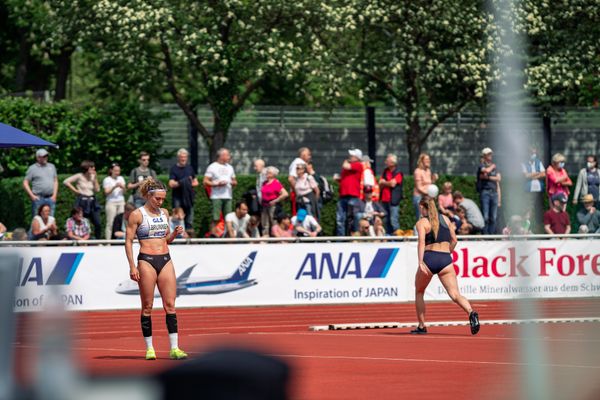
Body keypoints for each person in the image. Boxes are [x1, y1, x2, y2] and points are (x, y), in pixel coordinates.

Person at [125, 177, 187, 360]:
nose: (160, 202)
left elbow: (166, 239)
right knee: (148, 306)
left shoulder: (164, 213)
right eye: (157, 198)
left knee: (170, 305)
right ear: (148, 196)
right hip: (146, 260)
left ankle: (174, 348)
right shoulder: (137, 214)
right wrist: (132, 266)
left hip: (165, 259)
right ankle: (150, 348)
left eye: (162, 199)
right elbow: (128, 241)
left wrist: (174, 234)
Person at [412, 197, 480, 335]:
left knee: (419, 291)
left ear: (422, 207)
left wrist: (420, 262)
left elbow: (421, 243)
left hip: (429, 258)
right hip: (445, 260)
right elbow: (454, 240)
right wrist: (447, 252)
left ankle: (421, 326)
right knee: (455, 294)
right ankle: (471, 312)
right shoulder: (446, 219)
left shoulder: (422, 222)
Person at [63, 160, 102, 239]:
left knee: (97, 222)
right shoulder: (79, 176)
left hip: (92, 200)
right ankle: (72, 237)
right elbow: (66, 182)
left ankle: (98, 240)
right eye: (91, 167)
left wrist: (95, 179)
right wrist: (75, 191)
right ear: (87, 168)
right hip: (82, 200)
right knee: (75, 219)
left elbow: (97, 190)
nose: (94, 168)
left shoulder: (93, 177)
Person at [203, 148, 237, 229]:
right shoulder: (212, 166)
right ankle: (213, 237)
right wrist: (216, 184)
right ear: (222, 156)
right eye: (227, 155)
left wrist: (233, 183)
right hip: (216, 196)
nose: (229, 157)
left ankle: (227, 238)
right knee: (216, 218)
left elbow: (234, 181)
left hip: (228, 196)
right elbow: (205, 181)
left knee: (228, 218)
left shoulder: (230, 167)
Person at [335, 149, 364, 236]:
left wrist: (346, 161)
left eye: (352, 156)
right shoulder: (348, 166)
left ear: (357, 157)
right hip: (343, 195)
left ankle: (354, 236)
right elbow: (346, 179)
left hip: (353, 195)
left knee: (353, 218)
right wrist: (339, 179)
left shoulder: (358, 165)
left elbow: (346, 166)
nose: (350, 157)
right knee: (340, 219)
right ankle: (341, 238)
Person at [168, 148, 199, 231]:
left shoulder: (190, 168)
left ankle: (188, 233)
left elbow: (196, 182)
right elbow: (171, 183)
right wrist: (182, 182)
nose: (183, 159)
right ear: (178, 157)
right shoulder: (174, 169)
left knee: (189, 217)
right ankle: (176, 233)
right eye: (182, 157)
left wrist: (188, 183)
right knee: (177, 215)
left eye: (185, 157)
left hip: (188, 197)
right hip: (177, 196)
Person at [23, 148, 58, 217]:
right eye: (43, 156)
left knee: (50, 220)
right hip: (38, 198)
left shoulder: (52, 166)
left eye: (46, 156)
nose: (45, 158)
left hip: (50, 198)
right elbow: (25, 182)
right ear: (38, 158)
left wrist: (54, 195)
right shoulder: (32, 168)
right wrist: (32, 196)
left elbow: (55, 181)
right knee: (36, 220)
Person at [476, 148, 502, 234]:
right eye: (488, 154)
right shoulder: (481, 165)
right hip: (485, 192)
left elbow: (498, 178)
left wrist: (488, 177)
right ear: (484, 155)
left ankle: (491, 235)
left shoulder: (495, 166)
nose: (490, 155)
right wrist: (492, 167)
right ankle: (485, 234)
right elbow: (485, 170)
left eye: (490, 154)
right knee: (485, 216)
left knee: (493, 217)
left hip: (494, 192)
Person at [521, 147, 546, 233]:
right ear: (528, 153)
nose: (533, 155)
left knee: (539, 211)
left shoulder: (539, 162)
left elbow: (544, 174)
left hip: (539, 191)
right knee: (528, 211)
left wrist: (532, 175)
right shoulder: (523, 163)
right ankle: (526, 230)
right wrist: (537, 173)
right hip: (529, 191)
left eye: (535, 153)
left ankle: (539, 231)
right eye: (532, 153)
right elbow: (525, 176)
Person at [378, 154, 403, 234]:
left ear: (392, 162)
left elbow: (393, 184)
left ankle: (397, 238)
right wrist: (387, 183)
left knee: (394, 220)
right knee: (386, 220)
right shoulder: (385, 171)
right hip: (384, 199)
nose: (385, 162)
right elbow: (380, 183)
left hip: (393, 200)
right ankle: (388, 236)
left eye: (387, 160)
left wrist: (384, 182)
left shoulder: (398, 172)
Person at [260, 166, 288, 237]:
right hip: (264, 205)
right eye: (267, 172)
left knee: (274, 223)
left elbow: (285, 194)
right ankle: (265, 238)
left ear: (273, 174)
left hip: (272, 206)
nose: (267, 173)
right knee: (264, 223)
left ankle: (276, 238)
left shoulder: (276, 183)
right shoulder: (264, 183)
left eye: (269, 172)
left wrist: (276, 200)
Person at [103, 162, 127, 240]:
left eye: (118, 171)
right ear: (111, 171)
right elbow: (106, 192)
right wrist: (114, 186)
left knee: (121, 222)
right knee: (110, 222)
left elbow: (125, 191)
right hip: (111, 202)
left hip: (121, 201)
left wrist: (123, 187)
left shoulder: (121, 178)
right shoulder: (107, 179)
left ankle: (120, 240)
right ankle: (108, 242)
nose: (117, 172)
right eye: (116, 171)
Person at [412, 153, 438, 219]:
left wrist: (433, 180)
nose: (429, 160)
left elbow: (429, 185)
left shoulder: (428, 171)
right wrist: (430, 194)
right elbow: (419, 187)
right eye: (426, 159)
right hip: (419, 197)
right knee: (420, 218)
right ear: (421, 161)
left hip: (427, 197)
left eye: (429, 159)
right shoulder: (417, 171)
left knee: (430, 217)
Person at [288, 147, 312, 214]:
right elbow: (291, 178)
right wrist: (297, 192)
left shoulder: (297, 162)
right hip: (299, 194)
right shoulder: (299, 162)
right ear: (303, 154)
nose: (310, 157)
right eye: (308, 154)